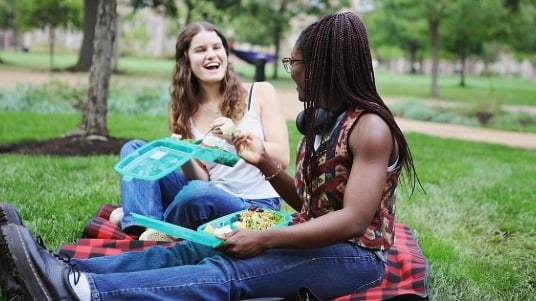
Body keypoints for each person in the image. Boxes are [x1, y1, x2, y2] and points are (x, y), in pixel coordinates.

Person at [0, 11, 419, 300]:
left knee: (228, 274)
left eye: (295, 61)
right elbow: (310, 206)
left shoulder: (371, 128)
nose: (290, 69)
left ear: (323, 66)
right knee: (197, 250)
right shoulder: (321, 121)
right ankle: (58, 268)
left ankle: (80, 292)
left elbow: (352, 220)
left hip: (354, 258)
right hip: (312, 234)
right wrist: (266, 164)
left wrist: (265, 237)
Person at [116, 21, 290, 237]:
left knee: (197, 194)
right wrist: (184, 154)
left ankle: (154, 222)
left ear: (226, 54)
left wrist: (235, 137)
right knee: (135, 149)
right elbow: (202, 177)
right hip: (210, 194)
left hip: (256, 208)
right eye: (201, 50)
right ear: (186, 61)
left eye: (217, 48)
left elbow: (282, 157)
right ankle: (144, 228)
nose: (211, 55)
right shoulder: (182, 111)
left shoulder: (260, 92)